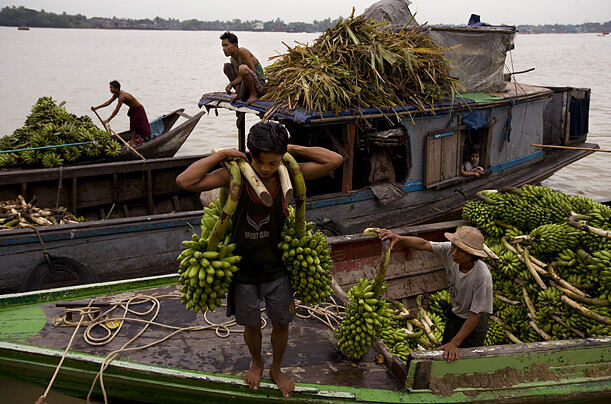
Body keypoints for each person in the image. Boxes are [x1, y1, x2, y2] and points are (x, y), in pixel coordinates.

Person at [176, 121, 343, 397]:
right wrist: (220, 156)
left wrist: (290, 151)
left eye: (273, 162)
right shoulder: (235, 176)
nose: (266, 169)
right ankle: (257, 360)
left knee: (281, 323)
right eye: (261, 161)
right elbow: (185, 181)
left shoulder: (287, 174)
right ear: (250, 155)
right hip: (243, 268)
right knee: (251, 324)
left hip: (278, 268)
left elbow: (334, 159)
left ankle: (277, 367)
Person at [379, 226, 493, 362]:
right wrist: (398, 238)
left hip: (473, 325)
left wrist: (455, 343)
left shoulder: (482, 276)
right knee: (445, 353)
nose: (455, 252)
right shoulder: (451, 252)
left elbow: (475, 315)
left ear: (472, 254)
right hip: (455, 315)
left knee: (467, 361)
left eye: (461, 251)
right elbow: (424, 244)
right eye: (453, 246)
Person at [91, 81, 151, 146]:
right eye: (110, 88)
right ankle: (134, 141)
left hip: (138, 109)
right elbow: (108, 102)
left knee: (138, 126)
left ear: (117, 88)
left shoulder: (122, 97)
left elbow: (116, 110)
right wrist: (96, 108)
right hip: (133, 110)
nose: (110, 90)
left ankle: (142, 140)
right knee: (133, 127)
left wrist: (108, 120)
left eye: (112, 88)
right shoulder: (116, 94)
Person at [220, 32, 266, 104]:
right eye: (223, 46)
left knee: (243, 68)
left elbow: (253, 71)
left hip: (258, 85)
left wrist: (239, 84)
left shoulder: (242, 51)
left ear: (235, 45)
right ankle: (240, 94)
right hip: (246, 84)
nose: (224, 49)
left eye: (226, 45)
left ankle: (253, 95)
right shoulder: (232, 59)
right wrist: (231, 84)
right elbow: (239, 77)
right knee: (227, 66)